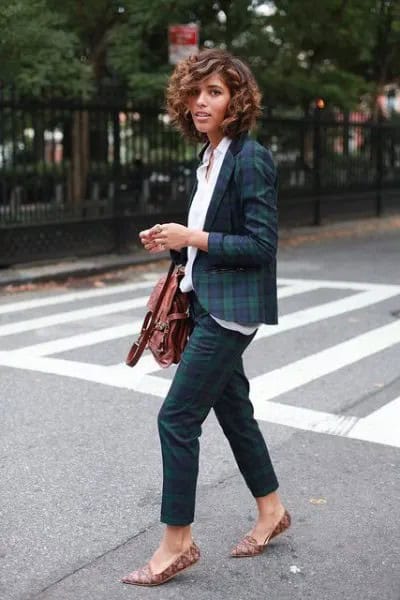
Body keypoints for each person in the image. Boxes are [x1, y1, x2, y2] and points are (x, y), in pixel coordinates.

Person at [121, 48, 290, 587]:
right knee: (235, 412)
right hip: (205, 299)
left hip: (231, 312)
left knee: (176, 418)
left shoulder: (250, 157)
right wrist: (174, 243)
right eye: (195, 92)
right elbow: (210, 240)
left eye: (214, 92)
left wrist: (192, 236)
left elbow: (262, 244)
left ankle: (178, 543)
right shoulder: (210, 157)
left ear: (236, 100)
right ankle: (272, 511)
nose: (201, 101)